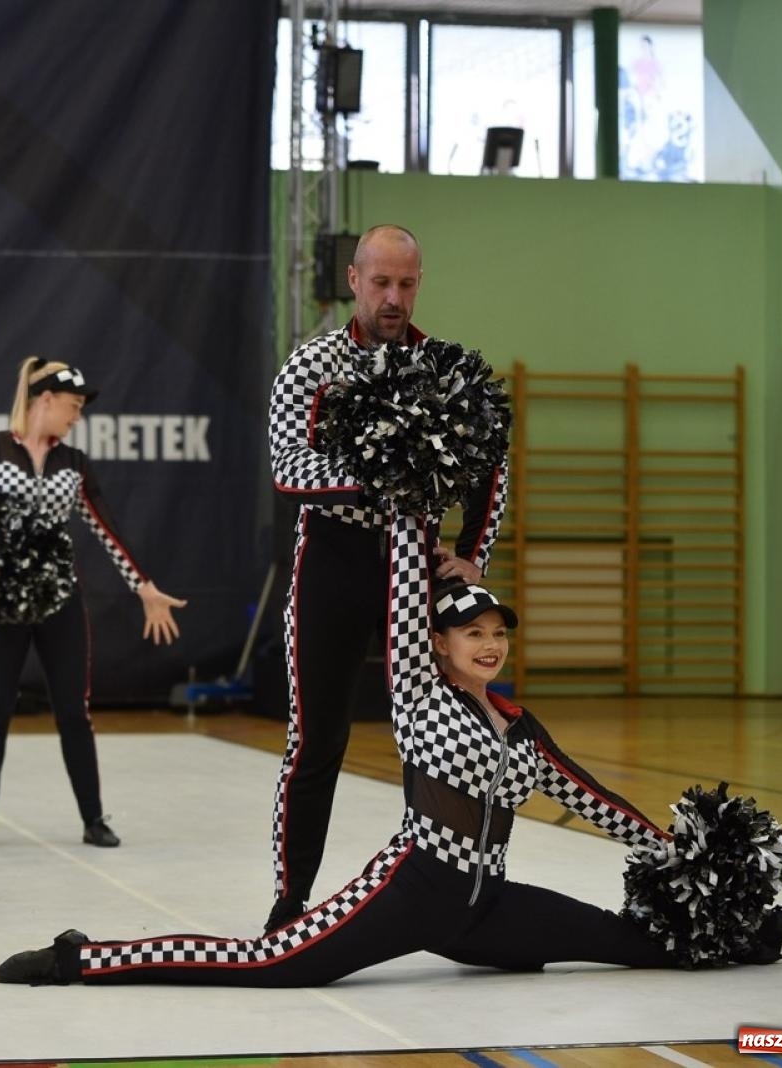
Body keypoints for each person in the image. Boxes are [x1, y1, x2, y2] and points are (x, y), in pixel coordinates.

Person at [0, 513, 782, 987]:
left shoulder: (523, 728)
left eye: (499, 631)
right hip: (412, 889)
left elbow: (596, 804)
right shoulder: (422, 699)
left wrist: (693, 861)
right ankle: (82, 957)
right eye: (473, 632)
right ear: (438, 646)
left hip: (488, 908)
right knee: (274, 965)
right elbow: (401, 604)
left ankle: (758, 928)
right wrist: (406, 515)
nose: (491, 643)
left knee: (641, 942)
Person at [265, 224, 508, 931]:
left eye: (406, 283)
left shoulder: (447, 367)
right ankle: (289, 901)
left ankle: (447, 893)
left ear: (419, 282)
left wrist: (474, 551)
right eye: (381, 282)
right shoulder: (310, 366)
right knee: (316, 740)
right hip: (332, 564)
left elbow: (493, 460)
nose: (393, 297)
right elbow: (288, 468)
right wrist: (381, 474)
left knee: (437, 732)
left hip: (416, 564)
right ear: (354, 279)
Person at [0, 357, 185, 850]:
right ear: (44, 400)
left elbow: (107, 529)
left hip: (59, 601)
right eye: (73, 406)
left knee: (73, 710)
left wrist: (143, 585)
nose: (77, 417)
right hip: (1, 601)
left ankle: (93, 819)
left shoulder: (73, 464)